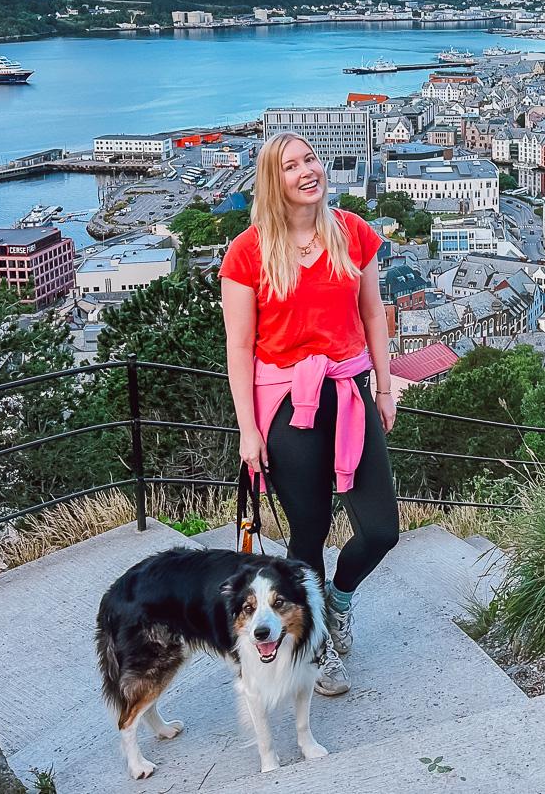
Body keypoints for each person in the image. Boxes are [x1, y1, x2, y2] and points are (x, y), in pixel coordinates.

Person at [220, 131, 400, 696]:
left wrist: (386, 386)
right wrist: (249, 431)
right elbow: (239, 350)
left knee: (381, 530)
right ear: (274, 182)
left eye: (311, 160)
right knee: (309, 534)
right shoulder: (248, 252)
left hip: (347, 390)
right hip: (285, 404)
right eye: (291, 166)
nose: (306, 172)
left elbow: (375, 316)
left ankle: (339, 601)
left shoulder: (352, 233)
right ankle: (317, 644)